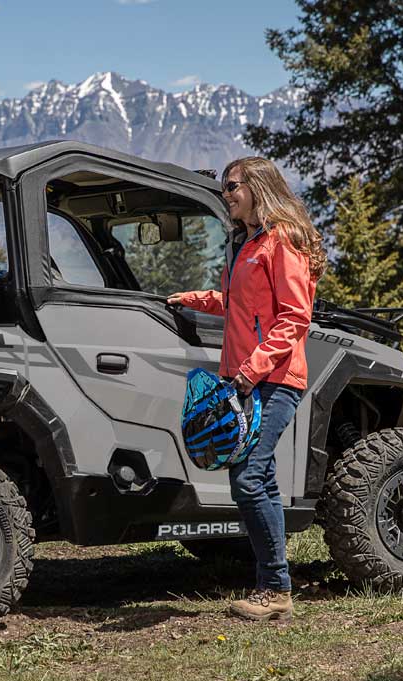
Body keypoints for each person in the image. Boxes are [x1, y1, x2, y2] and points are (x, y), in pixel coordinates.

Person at [168, 157, 326, 622]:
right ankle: (274, 586)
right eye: (224, 187)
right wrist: (193, 300)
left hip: (274, 378)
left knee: (249, 478)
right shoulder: (247, 243)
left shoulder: (283, 241)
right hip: (247, 377)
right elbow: (240, 303)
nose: (226, 194)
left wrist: (251, 369)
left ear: (258, 188)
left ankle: (275, 587)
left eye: (232, 186)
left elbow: (294, 318)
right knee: (259, 478)